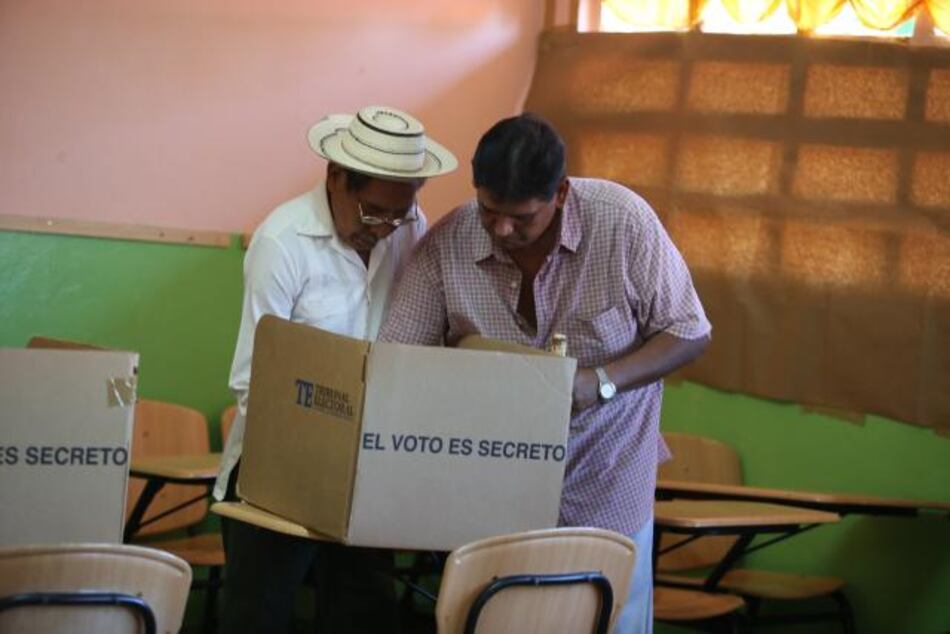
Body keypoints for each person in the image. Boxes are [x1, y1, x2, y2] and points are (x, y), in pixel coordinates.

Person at [379, 113, 711, 633]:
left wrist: (601, 382)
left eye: (521, 217)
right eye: (490, 211)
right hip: (492, 495)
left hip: (607, 481)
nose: (503, 229)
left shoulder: (622, 223)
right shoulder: (448, 244)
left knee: (607, 623)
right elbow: (396, 361)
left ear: (560, 192)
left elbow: (690, 330)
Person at [214, 105, 457, 634]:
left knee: (364, 613)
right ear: (335, 178)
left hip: (366, 471)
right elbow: (254, 378)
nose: (385, 228)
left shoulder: (407, 228)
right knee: (259, 616)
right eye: (372, 212)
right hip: (276, 465)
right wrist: (315, 451)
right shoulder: (283, 242)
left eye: (399, 213)